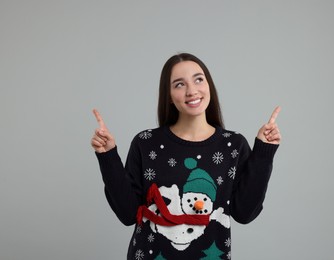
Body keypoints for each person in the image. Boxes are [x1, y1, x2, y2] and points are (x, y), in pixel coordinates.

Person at [91, 53, 281, 259]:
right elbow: (128, 214)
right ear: (169, 96)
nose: (192, 90)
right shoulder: (146, 143)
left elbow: (245, 213)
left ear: (209, 86)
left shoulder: (233, 145)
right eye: (179, 84)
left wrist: (264, 153)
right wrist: (108, 156)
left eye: (198, 79)